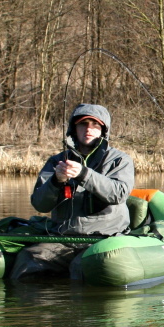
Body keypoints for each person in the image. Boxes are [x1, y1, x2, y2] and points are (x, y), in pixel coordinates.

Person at [10, 103, 135, 280]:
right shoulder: (57, 161)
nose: (89, 129)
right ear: (74, 128)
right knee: (28, 260)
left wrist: (84, 174)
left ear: (103, 130)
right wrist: (56, 181)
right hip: (64, 237)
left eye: (95, 125)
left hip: (105, 237)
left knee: (80, 266)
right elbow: (40, 204)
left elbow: (119, 193)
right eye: (83, 124)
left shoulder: (119, 160)